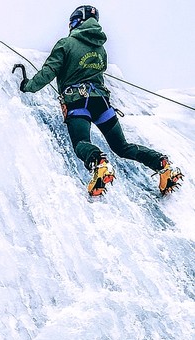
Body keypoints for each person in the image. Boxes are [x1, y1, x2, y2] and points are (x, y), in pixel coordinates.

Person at [19, 5, 183, 196]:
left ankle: (99, 164)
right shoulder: (100, 50)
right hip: (102, 104)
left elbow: (49, 71)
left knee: (81, 142)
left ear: (76, 21)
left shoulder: (66, 43)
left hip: (78, 102)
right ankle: (161, 164)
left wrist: (27, 86)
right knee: (122, 147)